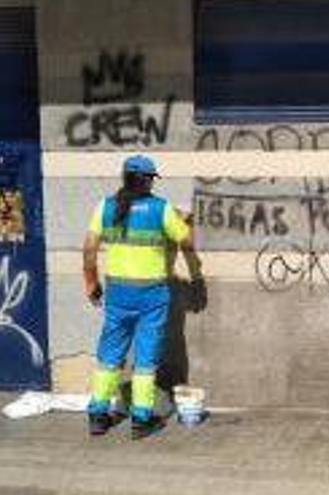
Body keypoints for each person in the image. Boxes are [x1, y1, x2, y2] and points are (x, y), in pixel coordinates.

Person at [83, 154, 202, 439]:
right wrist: (182, 220)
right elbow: (187, 241)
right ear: (148, 180)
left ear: (124, 177)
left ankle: (98, 415)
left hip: (118, 293)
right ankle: (141, 418)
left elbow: (89, 248)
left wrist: (91, 283)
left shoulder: (106, 206)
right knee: (146, 357)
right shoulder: (160, 209)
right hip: (151, 295)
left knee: (110, 355)